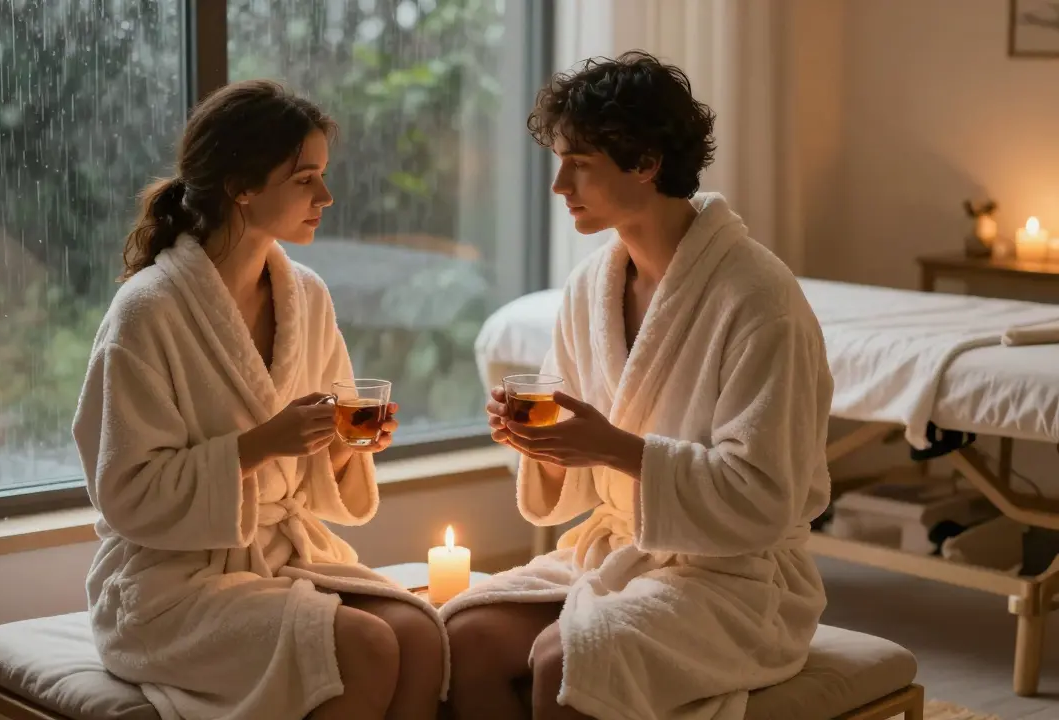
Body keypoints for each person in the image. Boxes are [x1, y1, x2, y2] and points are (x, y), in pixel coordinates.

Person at [439, 51, 834, 720]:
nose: (560, 185)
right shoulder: (591, 286)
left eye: (581, 164)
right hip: (617, 554)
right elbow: (576, 479)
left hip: (735, 583)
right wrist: (541, 444)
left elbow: (765, 499)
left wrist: (616, 448)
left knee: (569, 662)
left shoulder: (758, 298)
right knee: (461, 639)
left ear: (646, 163)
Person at [72, 80, 445, 720]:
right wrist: (261, 445)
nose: (325, 196)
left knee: (422, 637)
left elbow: (319, 456)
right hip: (171, 585)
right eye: (305, 179)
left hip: (282, 559)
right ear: (242, 187)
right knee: (364, 647)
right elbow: (126, 490)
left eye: (323, 176)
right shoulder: (147, 312)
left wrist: (345, 449)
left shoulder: (306, 296)